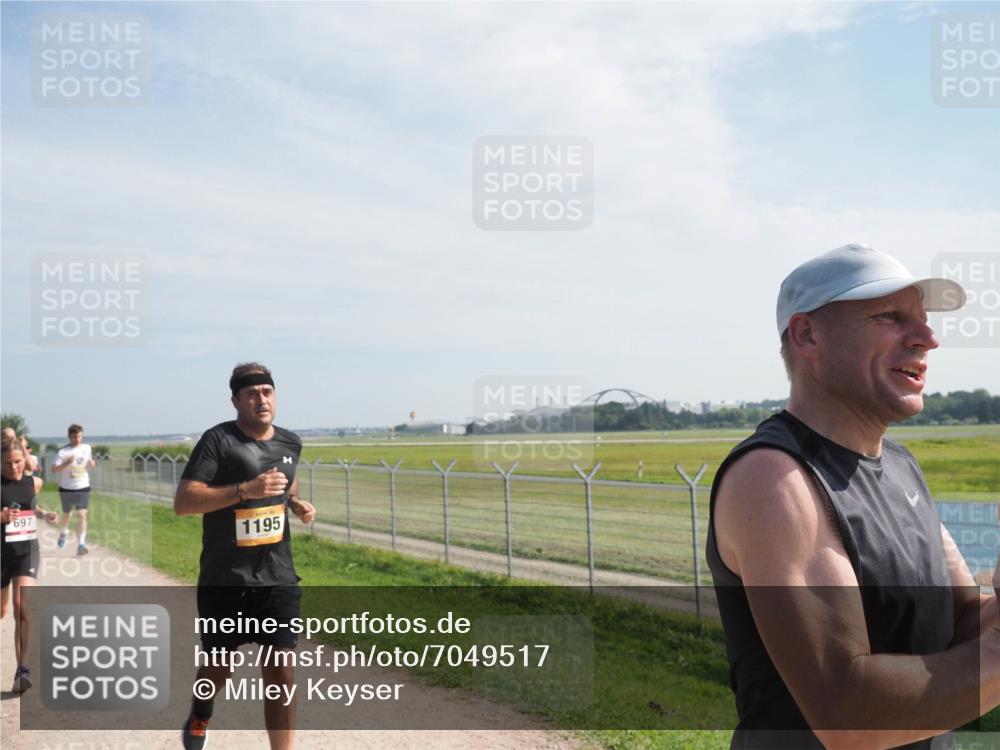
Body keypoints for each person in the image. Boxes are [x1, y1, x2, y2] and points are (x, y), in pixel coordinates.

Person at [706, 243, 999, 749]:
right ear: (808, 334)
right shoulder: (774, 479)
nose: (927, 338)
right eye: (889, 316)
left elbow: (965, 623)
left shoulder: (902, 467)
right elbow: (848, 714)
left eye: (924, 321)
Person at [174, 363, 315, 750]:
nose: (261, 399)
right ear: (236, 399)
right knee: (219, 667)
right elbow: (184, 502)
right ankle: (201, 713)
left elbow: (286, 481)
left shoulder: (290, 443)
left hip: (277, 577)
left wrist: (296, 503)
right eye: (252, 393)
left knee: (282, 672)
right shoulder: (218, 441)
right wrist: (245, 490)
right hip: (226, 579)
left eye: (267, 392)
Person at [1, 439, 57, 694]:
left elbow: (29, 507)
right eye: (8, 463)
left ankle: (22, 670)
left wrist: (44, 514)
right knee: (1, 611)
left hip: (26, 550)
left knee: (22, 607)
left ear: (25, 459)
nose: (14, 467)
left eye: (18, 461)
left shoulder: (33, 482)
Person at [52, 424, 95, 555]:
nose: (77, 439)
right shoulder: (63, 452)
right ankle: (64, 531)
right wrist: (66, 463)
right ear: (69, 437)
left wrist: (92, 463)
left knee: (82, 515)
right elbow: (54, 469)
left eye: (79, 436)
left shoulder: (87, 448)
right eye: (74, 437)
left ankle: (81, 544)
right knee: (67, 515)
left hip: (83, 486)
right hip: (66, 488)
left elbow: (89, 461)